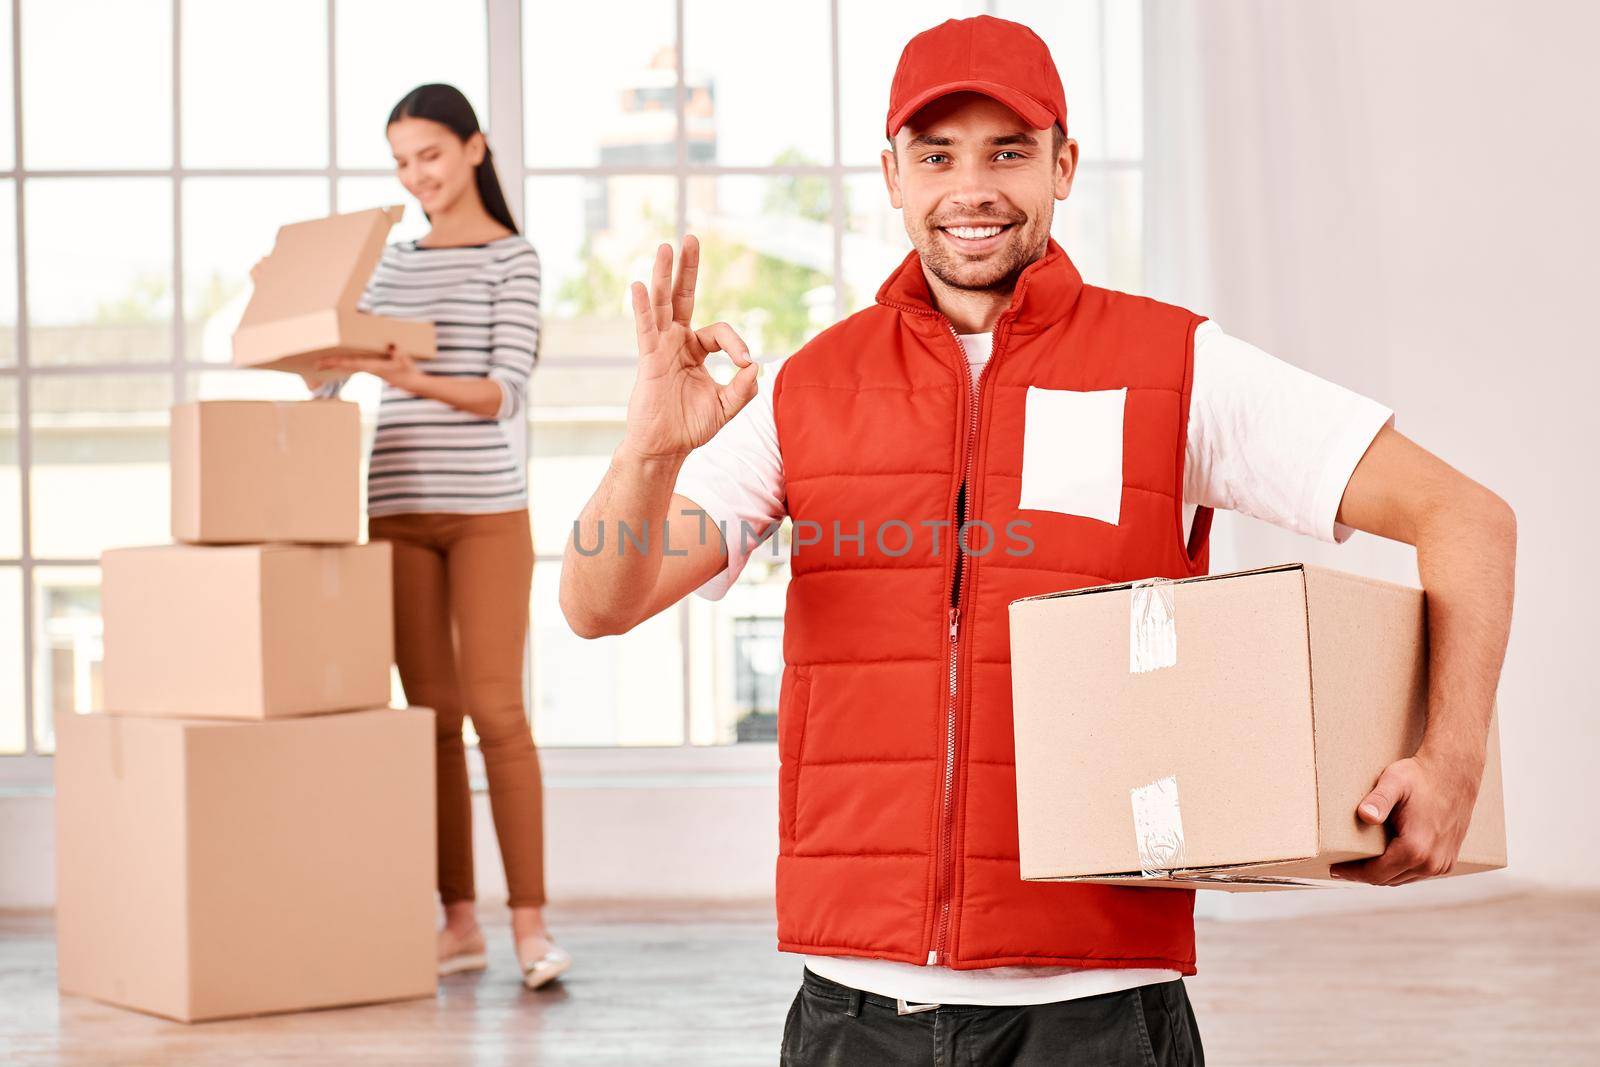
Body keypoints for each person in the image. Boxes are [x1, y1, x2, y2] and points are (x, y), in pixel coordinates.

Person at [561, 16, 1515, 1065]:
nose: (971, 188)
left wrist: (1453, 755)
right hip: (853, 1008)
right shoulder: (805, 390)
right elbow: (599, 603)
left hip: (1099, 1005)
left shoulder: (1177, 367)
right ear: (891, 175)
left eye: (1007, 151)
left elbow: (1465, 517)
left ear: (1064, 163)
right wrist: (647, 453)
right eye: (936, 155)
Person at [308, 83, 568, 991]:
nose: (417, 176)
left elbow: (504, 392)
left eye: (429, 154)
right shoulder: (391, 266)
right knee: (431, 721)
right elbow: (333, 381)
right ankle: (457, 921)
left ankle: (530, 926)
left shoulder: (513, 257)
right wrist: (323, 358)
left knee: (497, 710)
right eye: (402, 162)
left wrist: (408, 374)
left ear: (473, 148)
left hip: (486, 508)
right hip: (397, 508)